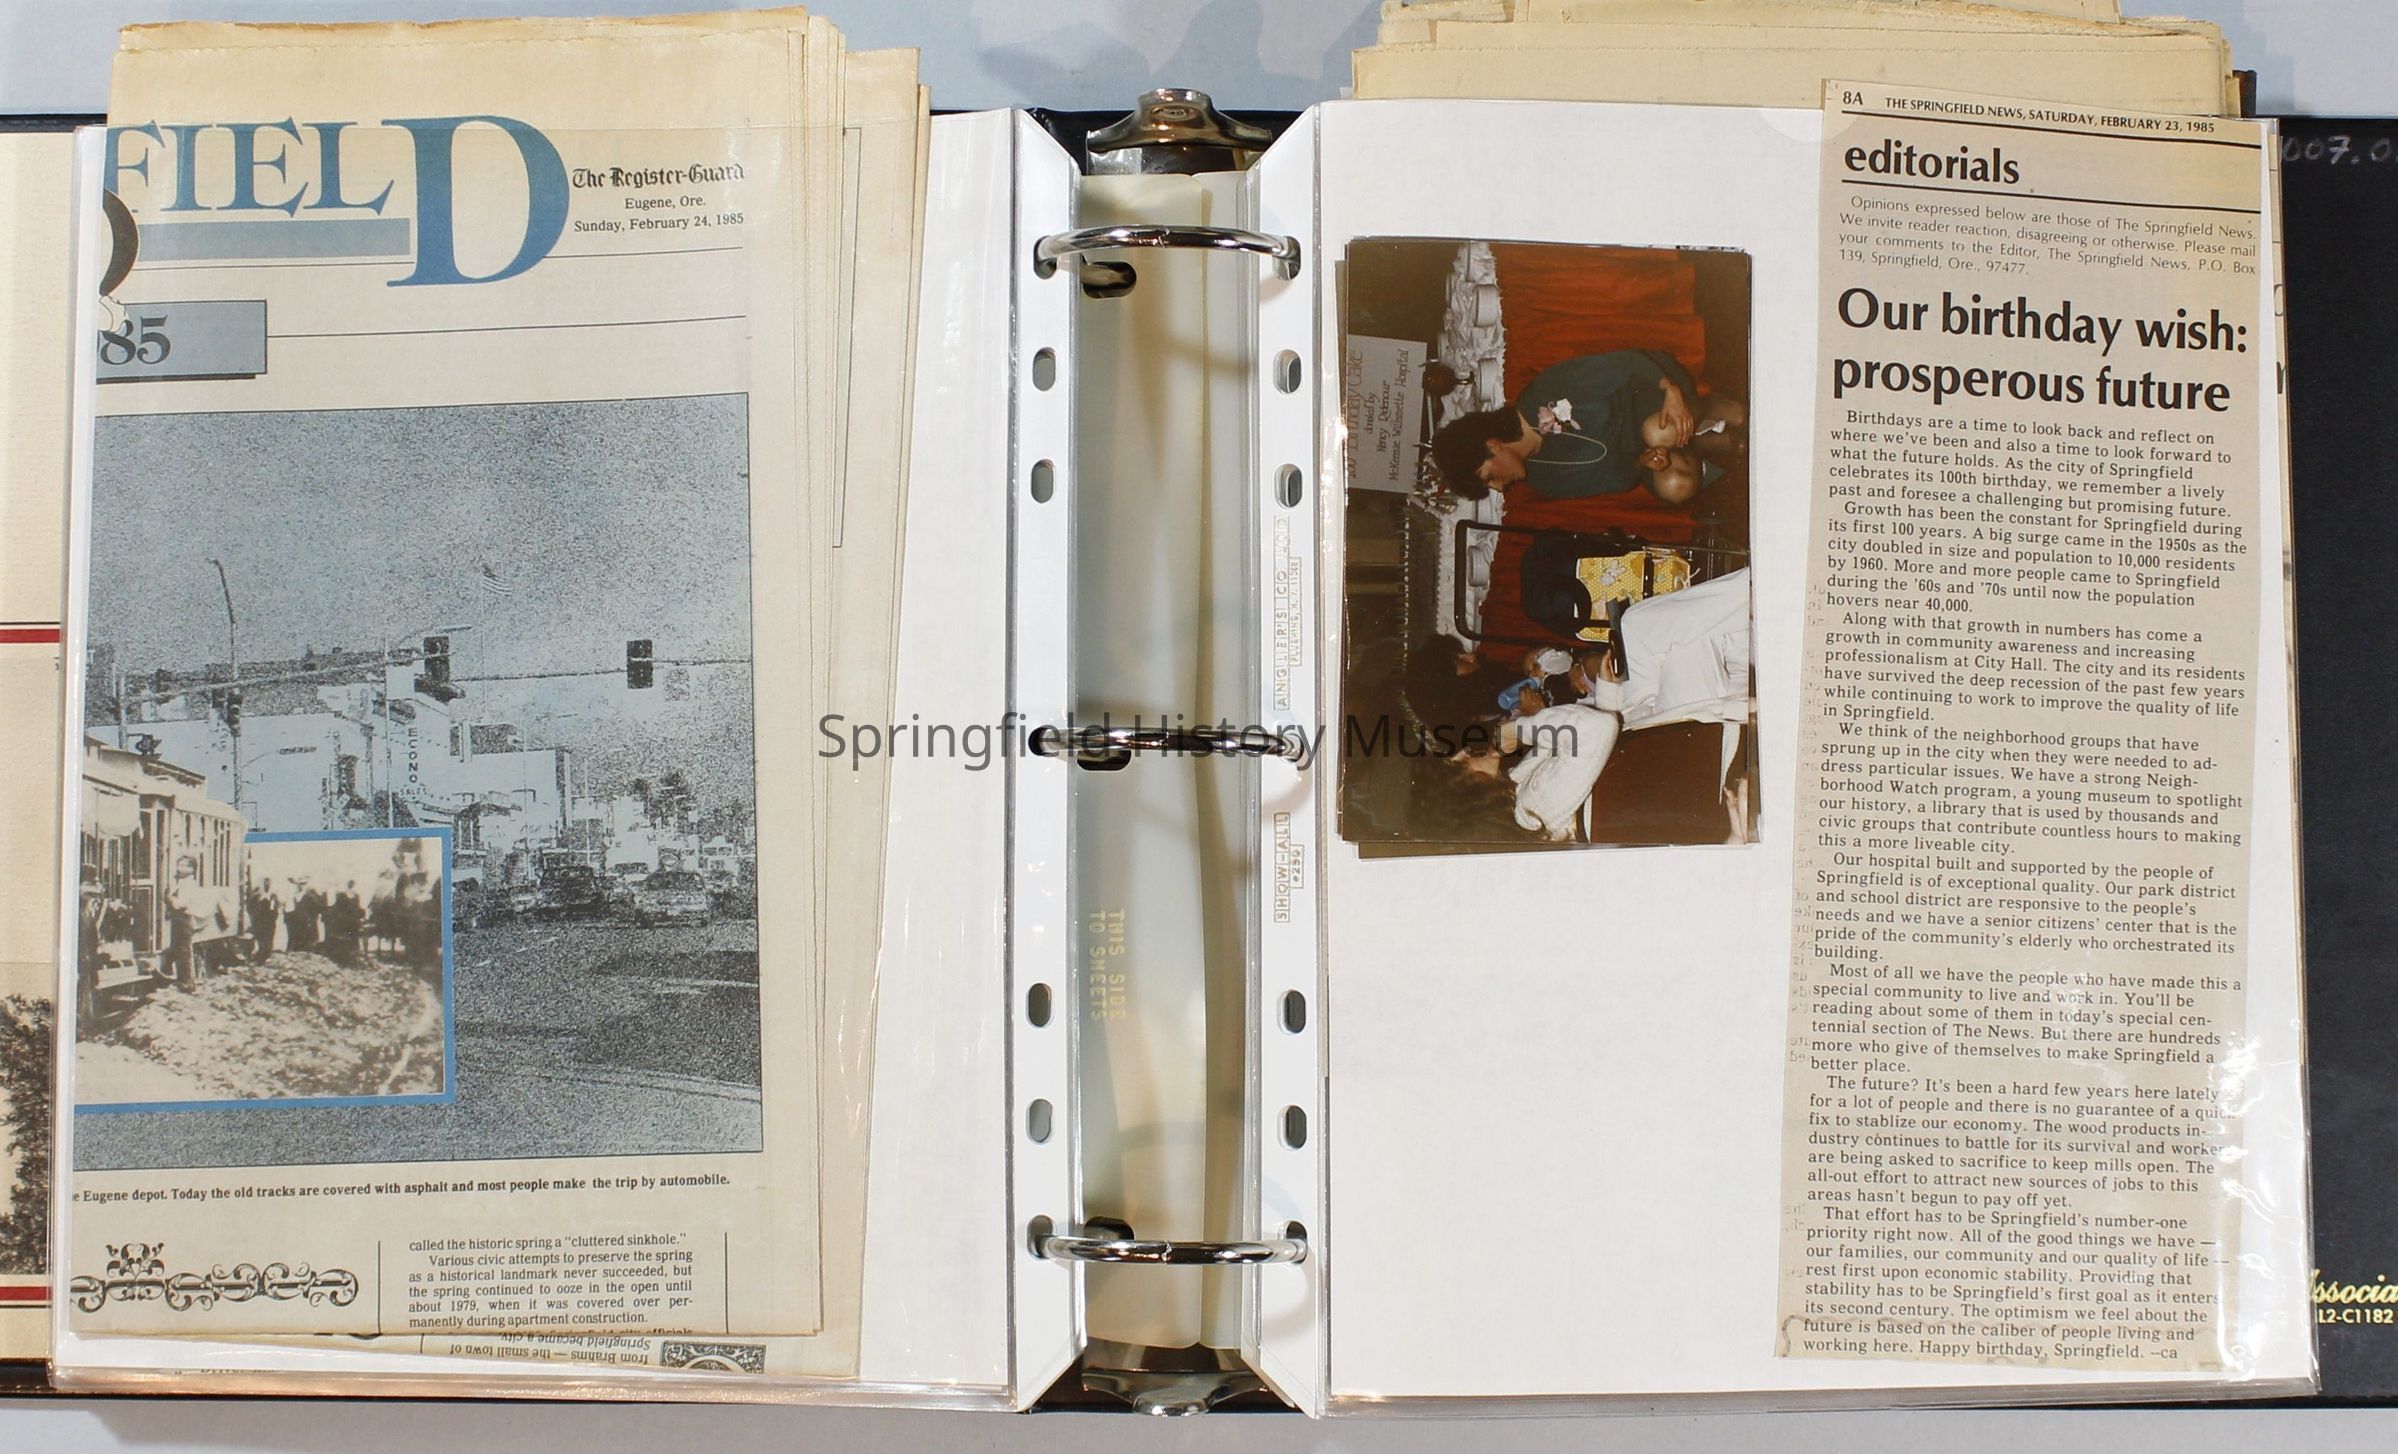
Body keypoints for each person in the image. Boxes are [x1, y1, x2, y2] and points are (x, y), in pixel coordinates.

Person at [1431, 349, 1740, 503]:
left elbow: (1628, 363)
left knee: (1660, 431)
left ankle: (1711, 408)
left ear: (1492, 445)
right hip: (1645, 447)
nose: (1499, 487)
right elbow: (1617, 480)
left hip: (1650, 391)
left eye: (1489, 477)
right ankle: (1705, 439)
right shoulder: (1543, 481)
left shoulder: (1543, 393)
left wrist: (1669, 389)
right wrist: (1642, 461)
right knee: (1676, 487)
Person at [1448, 702, 1622, 842]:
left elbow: (1594, 747)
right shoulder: (1529, 810)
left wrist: (1607, 684)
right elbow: (1595, 727)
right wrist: (1518, 730)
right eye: (1461, 762)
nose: (1466, 751)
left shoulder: (1516, 778)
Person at [248, 875, 282, 964]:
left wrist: (274, 916)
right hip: (259, 921)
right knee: (261, 938)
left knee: (268, 938)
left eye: (268, 883)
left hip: (270, 921)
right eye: (265, 883)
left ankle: (265, 956)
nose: (267, 885)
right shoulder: (256, 896)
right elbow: (250, 907)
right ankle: (260, 955)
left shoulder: (273, 896)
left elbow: (275, 908)